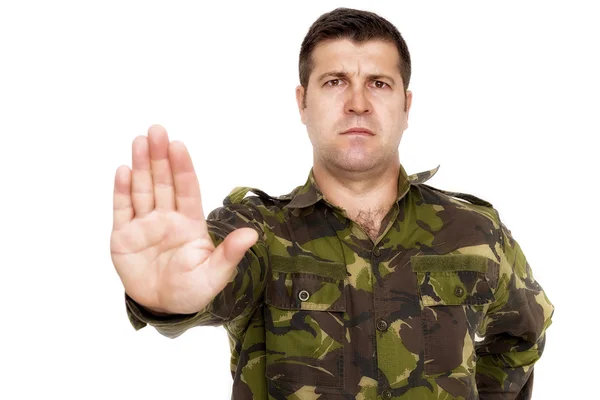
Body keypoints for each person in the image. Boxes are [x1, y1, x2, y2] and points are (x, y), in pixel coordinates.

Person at [110, 7, 554, 400]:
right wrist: (168, 302)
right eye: (335, 81)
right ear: (303, 102)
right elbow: (210, 282)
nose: (357, 103)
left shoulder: (475, 231)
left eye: (378, 83)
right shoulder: (254, 234)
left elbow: (522, 337)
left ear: (406, 104)